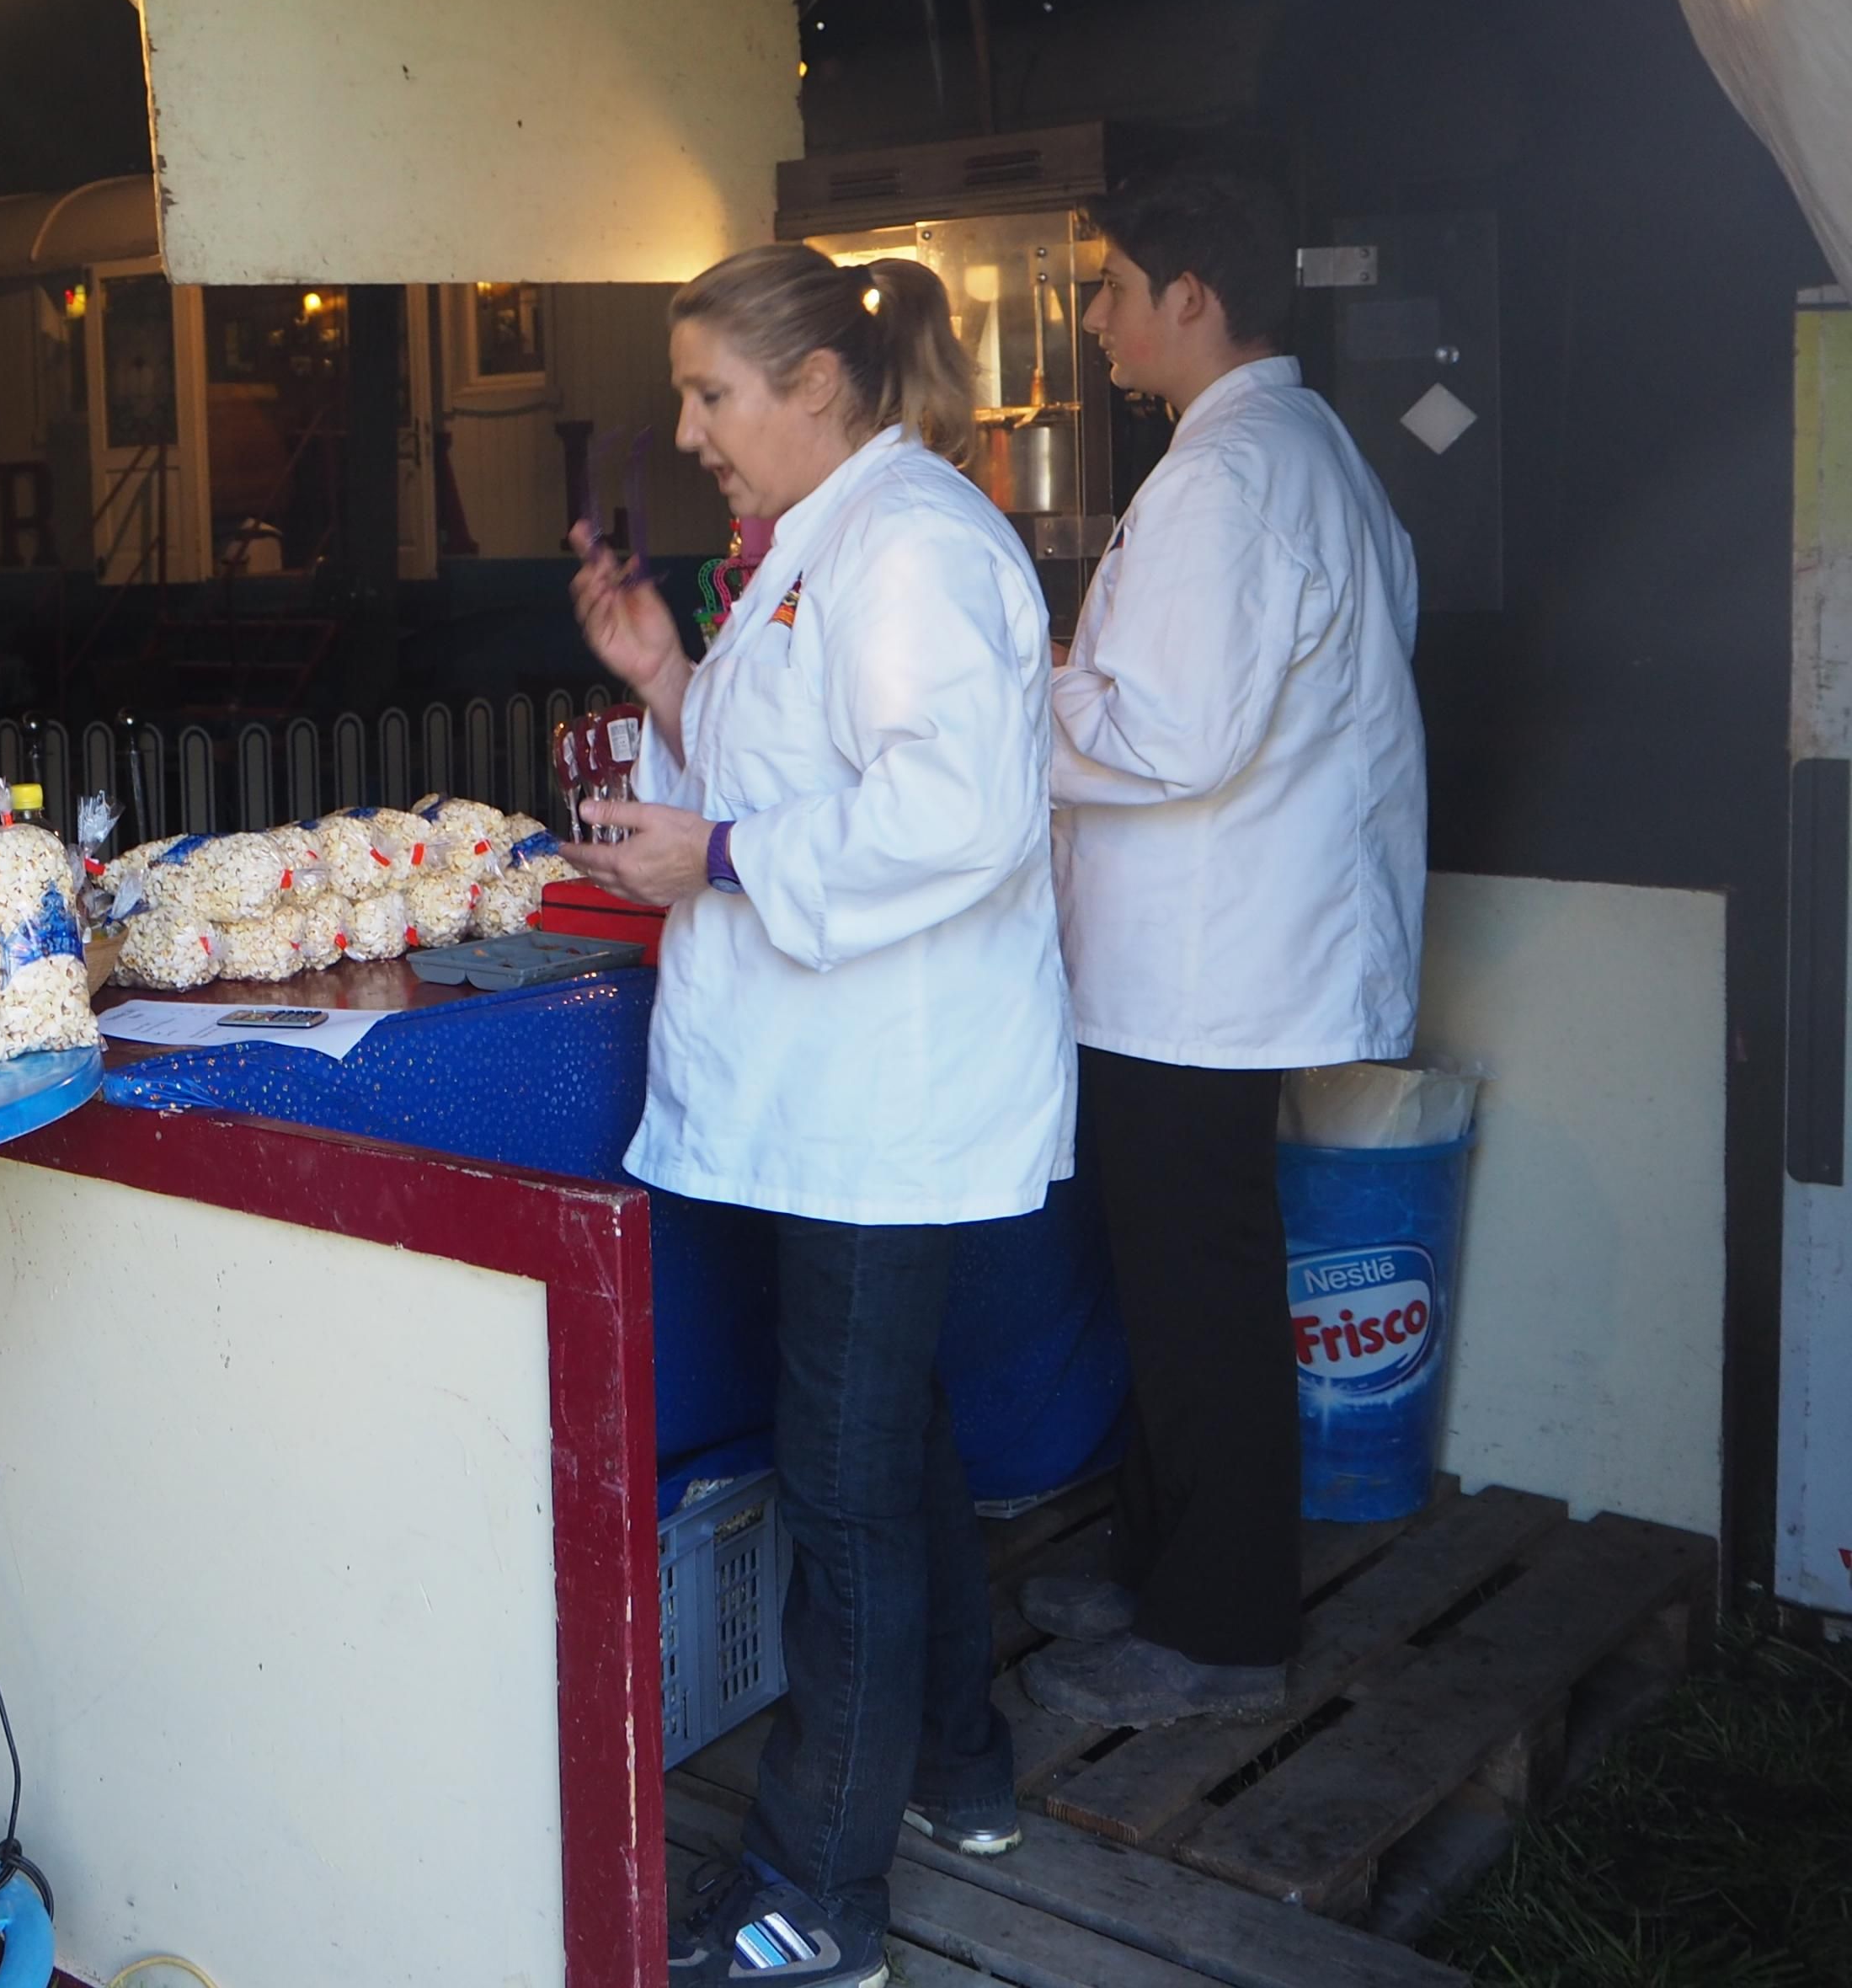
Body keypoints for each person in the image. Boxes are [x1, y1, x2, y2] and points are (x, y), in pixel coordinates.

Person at [561, 247, 1071, 1986]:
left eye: (711, 393)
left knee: (843, 1498)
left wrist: (711, 854)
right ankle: (957, 1766)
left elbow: (956, 815)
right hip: (834, 1086)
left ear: (818, 385)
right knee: (889, 1446)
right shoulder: (822, 543)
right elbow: (793, 775)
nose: (690, 429)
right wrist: (665, 683)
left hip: (883, 1092)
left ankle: (812, 1900)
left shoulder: (908, 542)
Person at [1017, 174, 1425, 1732]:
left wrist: (1025, 690)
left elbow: (1170, 734)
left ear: (1192, 295)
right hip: (1230, 950)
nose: (1097, 319)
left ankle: (1222, 1628)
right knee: (1181, 1275)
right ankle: (1156, 1558)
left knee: (1197, 1287)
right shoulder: (1303, 449)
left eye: (1115, 287)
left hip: (1200, 966)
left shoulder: (1229, 477)